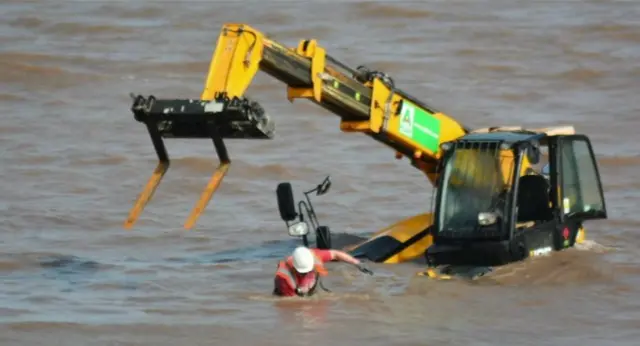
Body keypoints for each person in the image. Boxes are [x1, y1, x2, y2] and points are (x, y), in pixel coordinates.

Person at [273, 246, 363, 297]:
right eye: (303, 273)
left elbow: (335, 254)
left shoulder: (313, 255)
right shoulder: (285, 280)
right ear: (294, 268)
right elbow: (294, 303)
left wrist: (356, 263)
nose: (306, 273)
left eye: (309, 270)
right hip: (292, 291)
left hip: (307, 286)